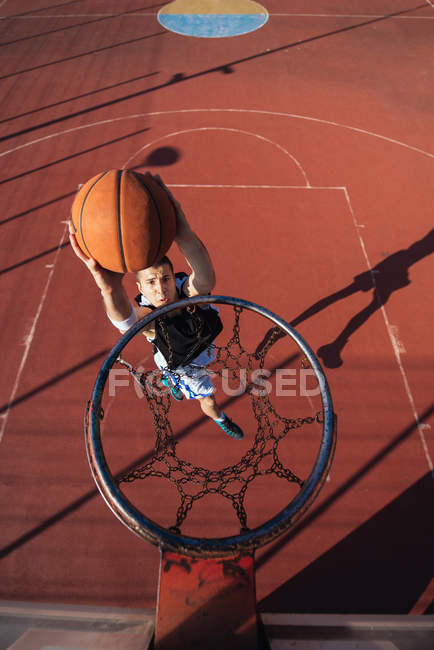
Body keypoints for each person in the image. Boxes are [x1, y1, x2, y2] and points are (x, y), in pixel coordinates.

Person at [69, 173, 244, 440]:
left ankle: (168, 379)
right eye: (150, 283)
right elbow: (127, 322)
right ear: (139, 289)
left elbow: (206, 277)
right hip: (181, 364)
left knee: (200, 337)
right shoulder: (150, 317)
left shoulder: (186, 291)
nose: (160, 288)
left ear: (174, 278)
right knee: (207, 400)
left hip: (199, 346)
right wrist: (109, 288)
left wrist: (183, 232)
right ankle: (221, 419)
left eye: (164, 279)